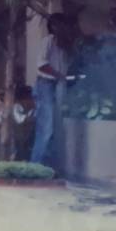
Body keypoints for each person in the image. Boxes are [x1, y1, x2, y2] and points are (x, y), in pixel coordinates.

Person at [30, 14, 72, 166]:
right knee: (45, 129)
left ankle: (48, 167)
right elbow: (42, 64)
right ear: (54, 27)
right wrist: (59, 75)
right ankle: (35, 166)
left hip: (56, 86)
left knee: (54, 130)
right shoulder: (48, 41)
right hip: (45, 85)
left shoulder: (62, 45)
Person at [12, 85, 36, 161]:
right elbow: (20, 120)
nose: (33, 100)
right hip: (16, 140)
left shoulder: (33, 110)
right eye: (31, 98)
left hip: (28, 141)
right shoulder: (16, 107)